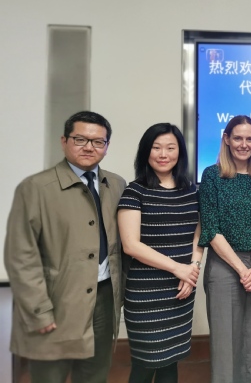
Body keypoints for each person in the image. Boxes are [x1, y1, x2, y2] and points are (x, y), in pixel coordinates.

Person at [4, 111, 126, 383]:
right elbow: (20, 256)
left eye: (98, 142)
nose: (89, 147)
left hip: (103, 299)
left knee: (95, 375)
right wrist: (39, 310)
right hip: (56, 301)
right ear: (64, 141)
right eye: (80, 139)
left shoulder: (116, 185)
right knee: (50, 376)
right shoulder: (35, 188)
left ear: (107, 146)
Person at [118, 123, 202, 383]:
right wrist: (178, 269)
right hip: (146, 294)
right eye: (156, 148)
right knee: (145, 364)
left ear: (180, 152)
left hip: (181, 290)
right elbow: (131, 245)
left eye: (170, 148)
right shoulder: (135, 191)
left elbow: (199, 234)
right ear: (146, 151)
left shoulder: (192, 191)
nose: (163, 154)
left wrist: (193, 269)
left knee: (170, 362)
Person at [199, 115, 251, 383]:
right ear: (226, 139)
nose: (244, 144)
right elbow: (211, 229)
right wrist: (244, 270)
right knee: (225, 340)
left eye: (249, 139)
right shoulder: (212, 175)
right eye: (237, 138)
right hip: (225, 265)